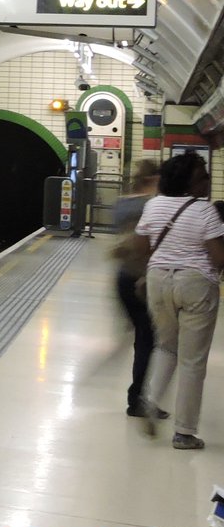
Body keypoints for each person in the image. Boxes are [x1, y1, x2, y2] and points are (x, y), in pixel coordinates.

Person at [133, 150, 224, 449]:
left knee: (166, 346)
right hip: (196, 285)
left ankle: (150, 400)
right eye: (202, 176)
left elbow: (141, 246)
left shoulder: (154, 206)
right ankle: (184, 432)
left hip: (158, 281)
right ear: (188, 182)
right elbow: (218, 257)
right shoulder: (205, 211)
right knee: (192, 360)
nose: (208, 182)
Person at [111, 159, 160, 417]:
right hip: (144, 280)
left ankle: (140, 396)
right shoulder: (150, 205)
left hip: (122, 277)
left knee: (143, 337)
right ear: (153, 179)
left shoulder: (122, 203)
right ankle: (137, 398)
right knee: (147, 340)